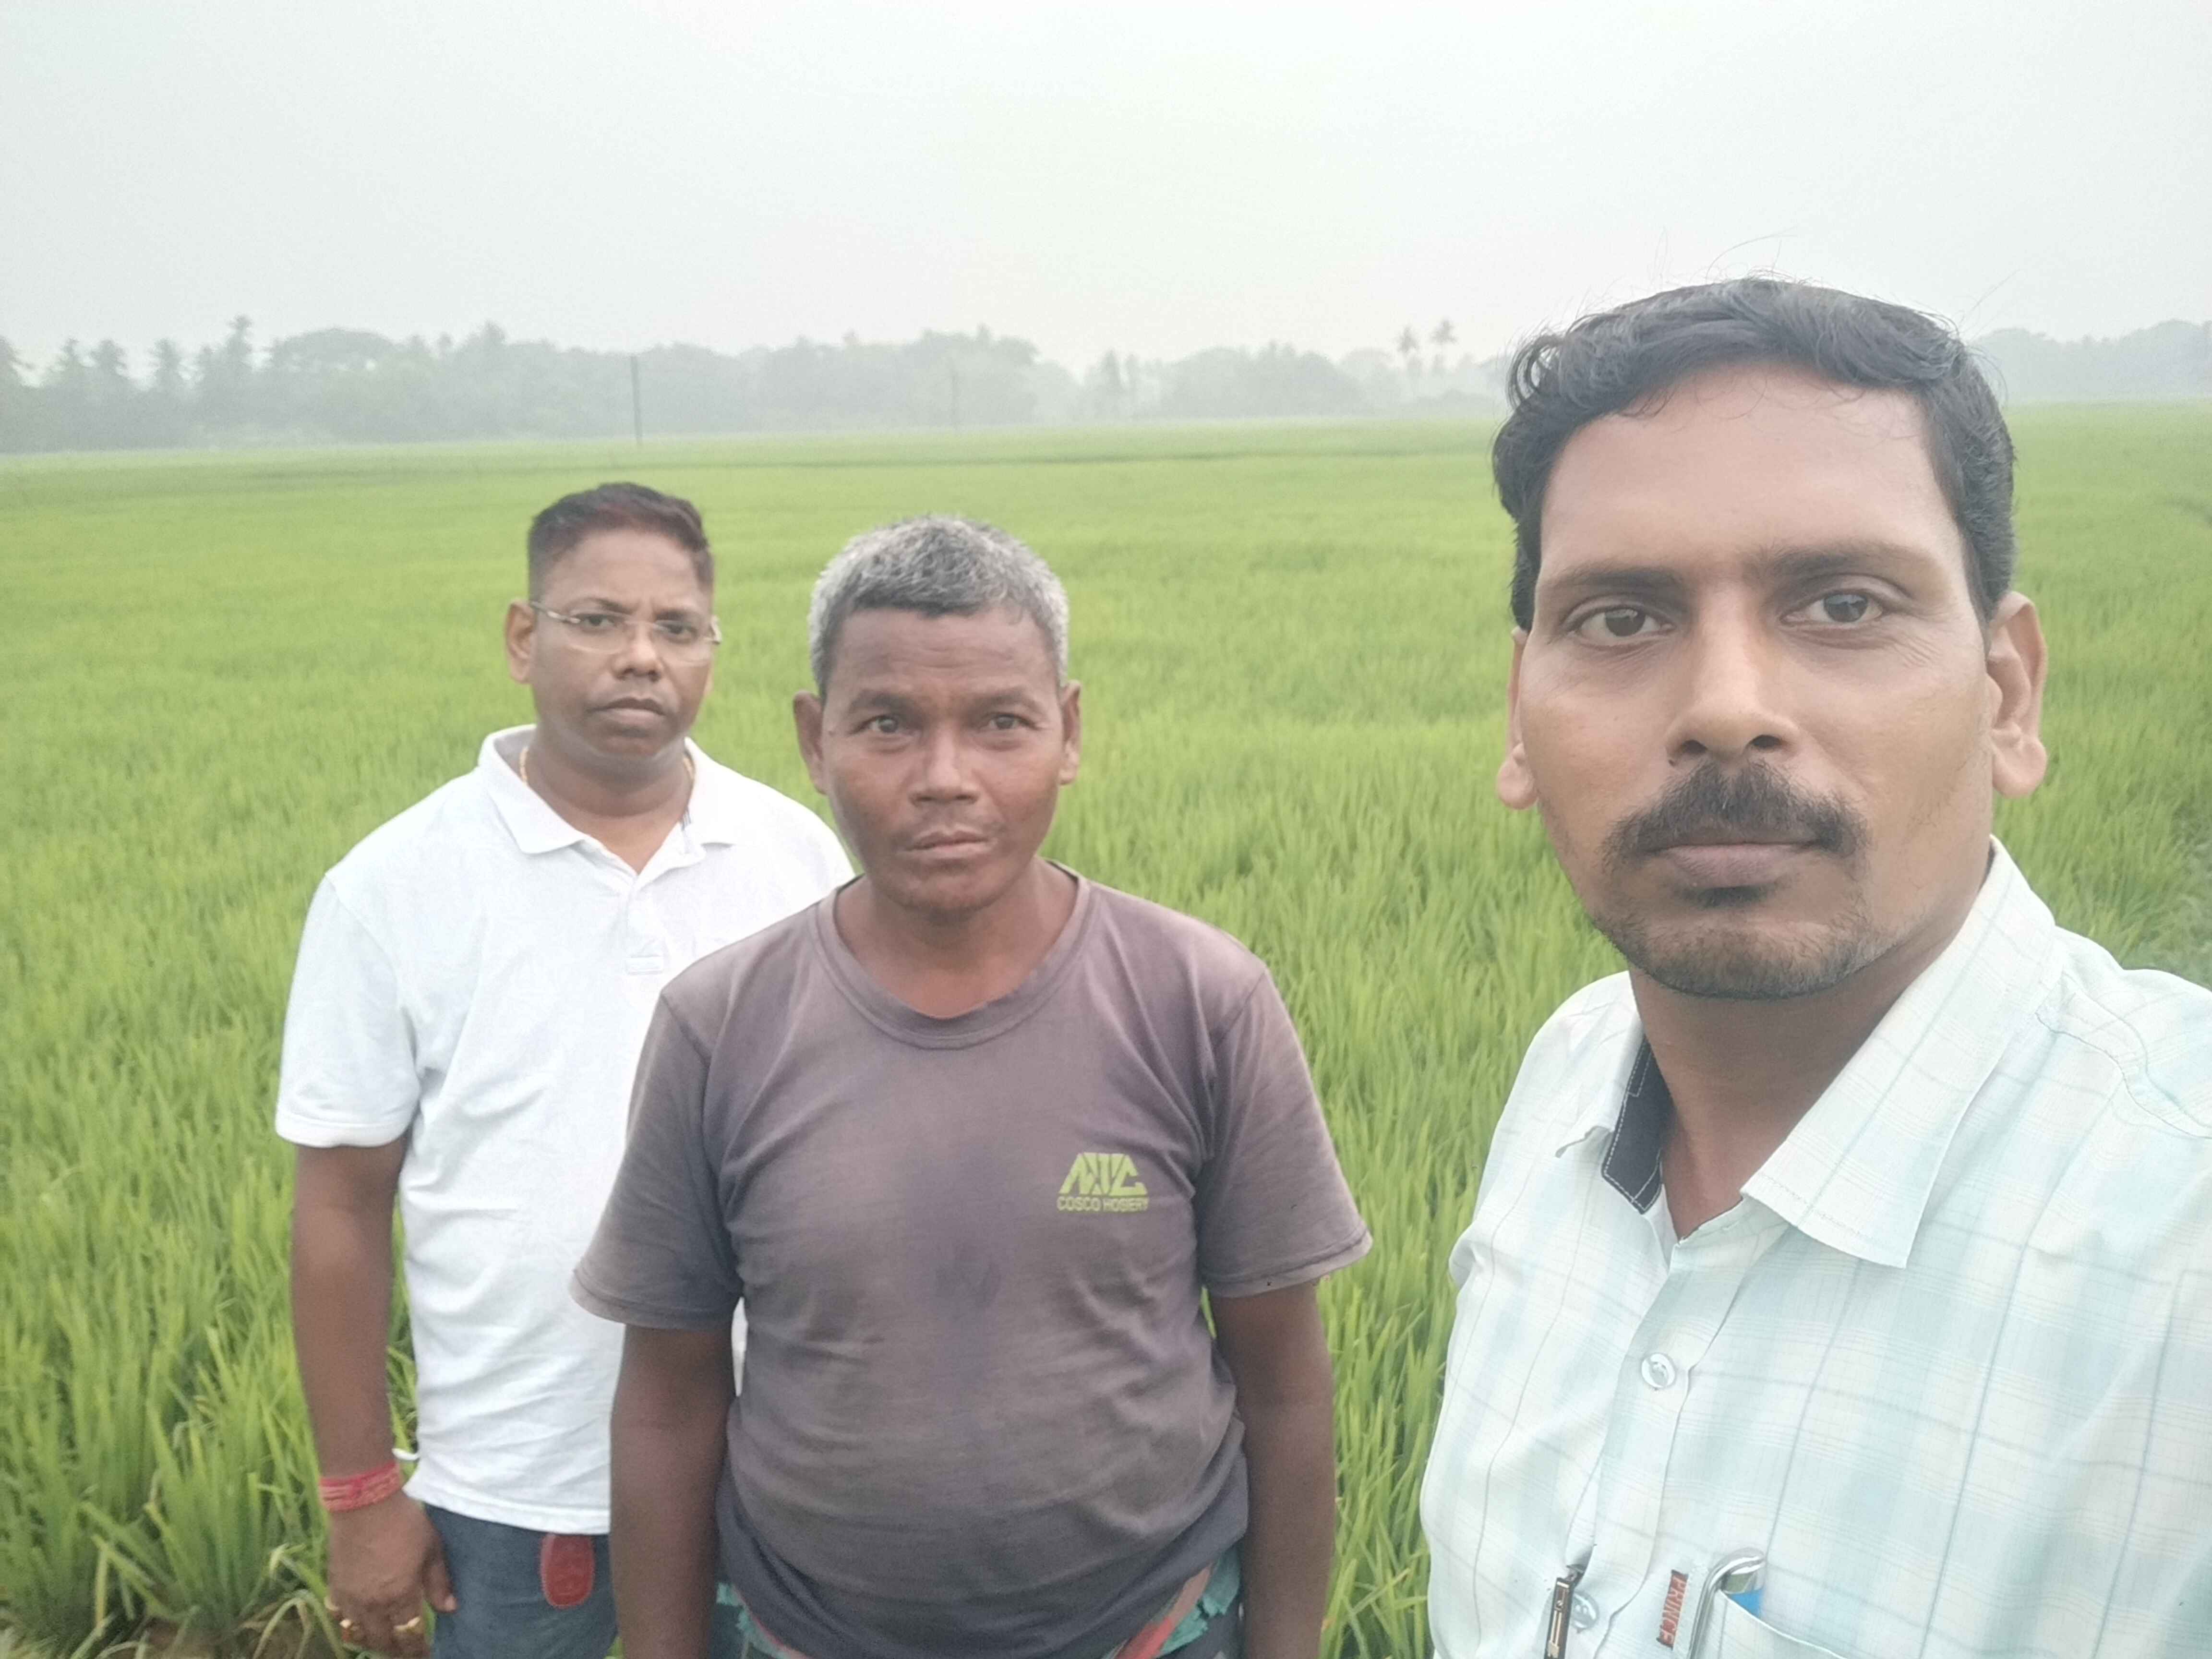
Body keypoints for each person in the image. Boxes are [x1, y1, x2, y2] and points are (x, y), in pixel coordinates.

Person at [1420, 279, 2212, 1658]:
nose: (1727, 708)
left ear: (2008, 695)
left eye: (1844, 604)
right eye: (1621, 621)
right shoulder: (1567, 1079)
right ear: (1518, 716)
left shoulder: (2179, 1244)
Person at [570, 516, 1371, 1659]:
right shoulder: (721, 1027)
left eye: (1000, 723)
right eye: (888, 724)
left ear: (1069, 732)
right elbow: (667, 1397)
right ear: (815, 740)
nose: (945, 779)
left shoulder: (1202, 1000)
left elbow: (1284, 1381)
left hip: (1151, 1629)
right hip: (803, 1634)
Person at [280, 483, 850, 1659]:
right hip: (518, 1493)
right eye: (598, 621)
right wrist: (361, 1495)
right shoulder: (392, 886)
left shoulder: (795, 858)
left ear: (711, 651)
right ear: (521, 639)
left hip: (774, 1469)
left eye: (677, 628)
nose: (642, 656)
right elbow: (340, 1206)